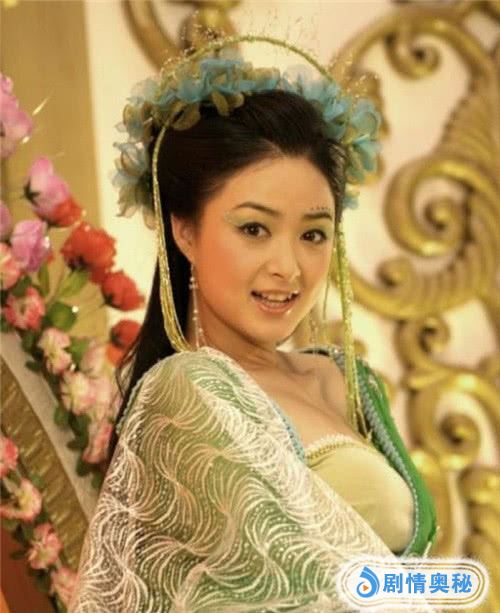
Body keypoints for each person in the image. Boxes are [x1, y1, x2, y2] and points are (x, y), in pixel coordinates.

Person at [68, 36, 438, 612]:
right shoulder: (187, 392)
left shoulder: (347, 379)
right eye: (254, 229)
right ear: (185, 230)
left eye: (312, 234)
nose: (288, 267)